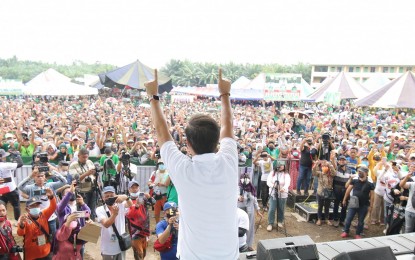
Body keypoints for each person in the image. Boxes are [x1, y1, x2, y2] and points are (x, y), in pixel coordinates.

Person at [146, 69, 239, 259]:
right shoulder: (229, 160)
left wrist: (153, 96)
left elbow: (161, 131)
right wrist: (225, 94)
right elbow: (228, 124)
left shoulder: (183, 170)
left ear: (187, 144)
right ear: (217, 141)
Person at [17, 187, 57, 260]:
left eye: (37, 205)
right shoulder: (24, 218)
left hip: (45, 251)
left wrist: (51, 197)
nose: (36, 207)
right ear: (27, 209)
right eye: (33, 206)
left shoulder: (44, 214)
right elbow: (20, 233)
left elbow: (53, 207)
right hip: (31, 254)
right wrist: (22, 224)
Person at [96, 186, 133, 260]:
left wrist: (126, 197)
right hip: (108, 248)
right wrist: (114, 214)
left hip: (121, 245)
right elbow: (106, 224)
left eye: (112, 196)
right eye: (107, 196)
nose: (109, 198)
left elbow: (130, 204)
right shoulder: (99, 209)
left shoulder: (121, 204)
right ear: (103, 198)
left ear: (116, 196)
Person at [341, 166, 374, 239]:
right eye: (358, 171)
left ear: (366, 173)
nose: (359, 173)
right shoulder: (355, 180)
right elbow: (348, 190)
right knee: (348, 218)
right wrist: (344, 199)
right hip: (353, 203)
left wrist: (371, 206)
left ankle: (358, 233)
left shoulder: (370, 183)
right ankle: (346, 231)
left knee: (361, 220)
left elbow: (372, 196)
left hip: (364, 204)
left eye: (361, 172)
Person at [125, 180, 152, 260]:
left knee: (143, 254)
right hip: (135, 232)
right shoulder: (127, 201)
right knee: (139, 254)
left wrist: (149, 196)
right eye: (132, 187)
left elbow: (153, 202)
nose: (135, 189)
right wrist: (136, 206)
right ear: (129, 189)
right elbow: (129, 215)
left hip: (145, 230)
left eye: (136, 187)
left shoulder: (143, 198)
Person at [69, 148, 98, 220]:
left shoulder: (90, 162)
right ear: (78, 156)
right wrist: (86, 174)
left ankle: (92, 225)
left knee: (92, 210)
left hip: (92, 189)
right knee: (83, 212)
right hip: (81, 192)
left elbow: (94, 174)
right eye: (83, 157)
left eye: (86, 157)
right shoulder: (73, 165)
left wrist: (95, 177)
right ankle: (84, 227)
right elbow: (76, 180)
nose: (85, 159)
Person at [237, 173, 261, 250]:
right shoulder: (238, 188)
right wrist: (238, 198)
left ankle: (249, 245)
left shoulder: (251, 188)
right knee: (241, 229)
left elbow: (255, 200)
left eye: (247, 178)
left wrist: (258, 210)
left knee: (250, 228)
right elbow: (233, 196)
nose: (245, 180)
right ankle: (241, 245)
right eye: (244, 178)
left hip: (250, 212)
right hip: (241, 210)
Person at [266, 162, 290, 231]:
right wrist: (275, 186)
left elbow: (287, 183)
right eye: (280, 165)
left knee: (281, 208)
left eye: (283, 165)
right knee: (272, 209)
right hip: (273, 193)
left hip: (282, 194)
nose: (281, 166)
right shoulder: (272, 173)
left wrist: (284, 188)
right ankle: (270, 223)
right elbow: (268, 182)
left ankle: (280, 221)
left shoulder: (286, 174)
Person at [313, 160, 336, 226]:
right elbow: (314, 172)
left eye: (326, 166)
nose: (324, 167)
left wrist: (330, 165)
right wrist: (316, 165)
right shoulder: (320, 174)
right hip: (320, 192)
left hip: (328, 193)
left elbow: (334, 173)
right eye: (323, 166)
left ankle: (326, 219)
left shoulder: (330, 174)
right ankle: (319, 219)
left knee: (327, 207)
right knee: (320, 206)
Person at [332, 155, 352, 227]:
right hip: (337, 190)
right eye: (340, 160)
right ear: (338, 161)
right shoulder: (335, 168)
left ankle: (342, 220)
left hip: (345, 191)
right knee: (336, 205)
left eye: (343, 160)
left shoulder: (349, 170)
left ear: (345, 161)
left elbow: (350, 180)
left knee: (344, 205)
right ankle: (335, 219)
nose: (342, 161)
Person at [0, 157, 21, 224]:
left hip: (1, 189)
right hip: (10, 189)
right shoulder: (5, 165)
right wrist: (17, 156)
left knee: (2, 204)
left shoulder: (5, 165)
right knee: (16, 205)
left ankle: (2, 218)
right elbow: (20, 164)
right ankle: (17, 221)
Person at [399, 168, 415, 233]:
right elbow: (401, 185)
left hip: (409, 211)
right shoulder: (413, 184)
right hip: (410, 211)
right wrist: (406, 177)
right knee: (408, 231)